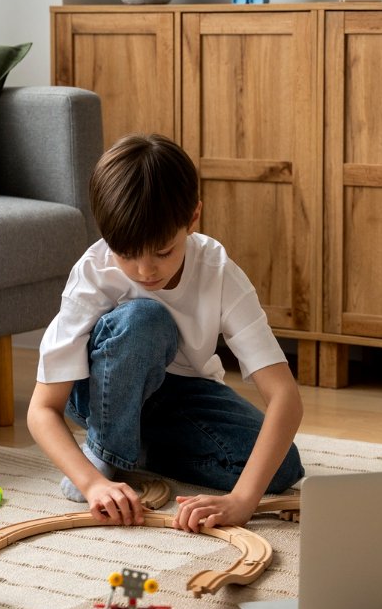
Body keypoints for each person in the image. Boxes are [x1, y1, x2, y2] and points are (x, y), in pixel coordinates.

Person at [27, 133, 305, 533]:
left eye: (162, 252)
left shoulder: (219, 272)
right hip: (101, 389)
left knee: (283, 468)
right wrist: (91, 483)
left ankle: (139, 447)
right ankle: (107, 452)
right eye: (127, 255)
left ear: (192, 219)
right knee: (145, 319)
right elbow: (43, 409)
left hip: (181, 395)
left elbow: (285, 397)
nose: (145, 271)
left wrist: (243, 501)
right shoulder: (93, 273)